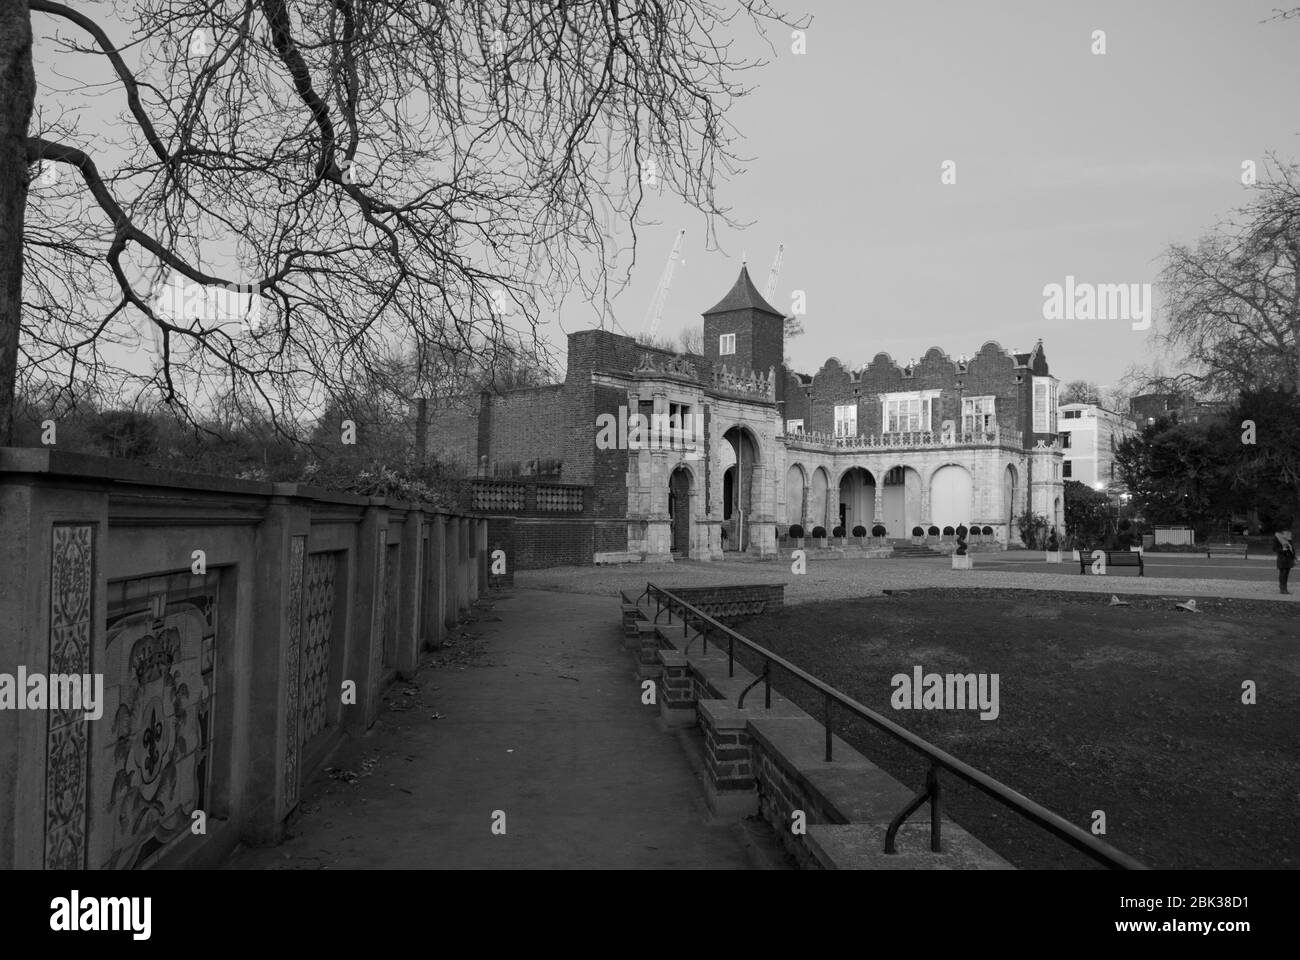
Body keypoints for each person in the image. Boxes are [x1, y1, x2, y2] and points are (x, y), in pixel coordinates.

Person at [1273, 528, 1295, 594]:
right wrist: (1282, 549)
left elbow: (1292, 548)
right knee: (1283, 572)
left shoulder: (1288, 537)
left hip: (1289, 558)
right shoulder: (1277, 537)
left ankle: (1284, 587)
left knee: (1286, 573)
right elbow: (1274, 548)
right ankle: (1282, 588)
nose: (1289, 533)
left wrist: (1294, 556)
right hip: (1282, 558)